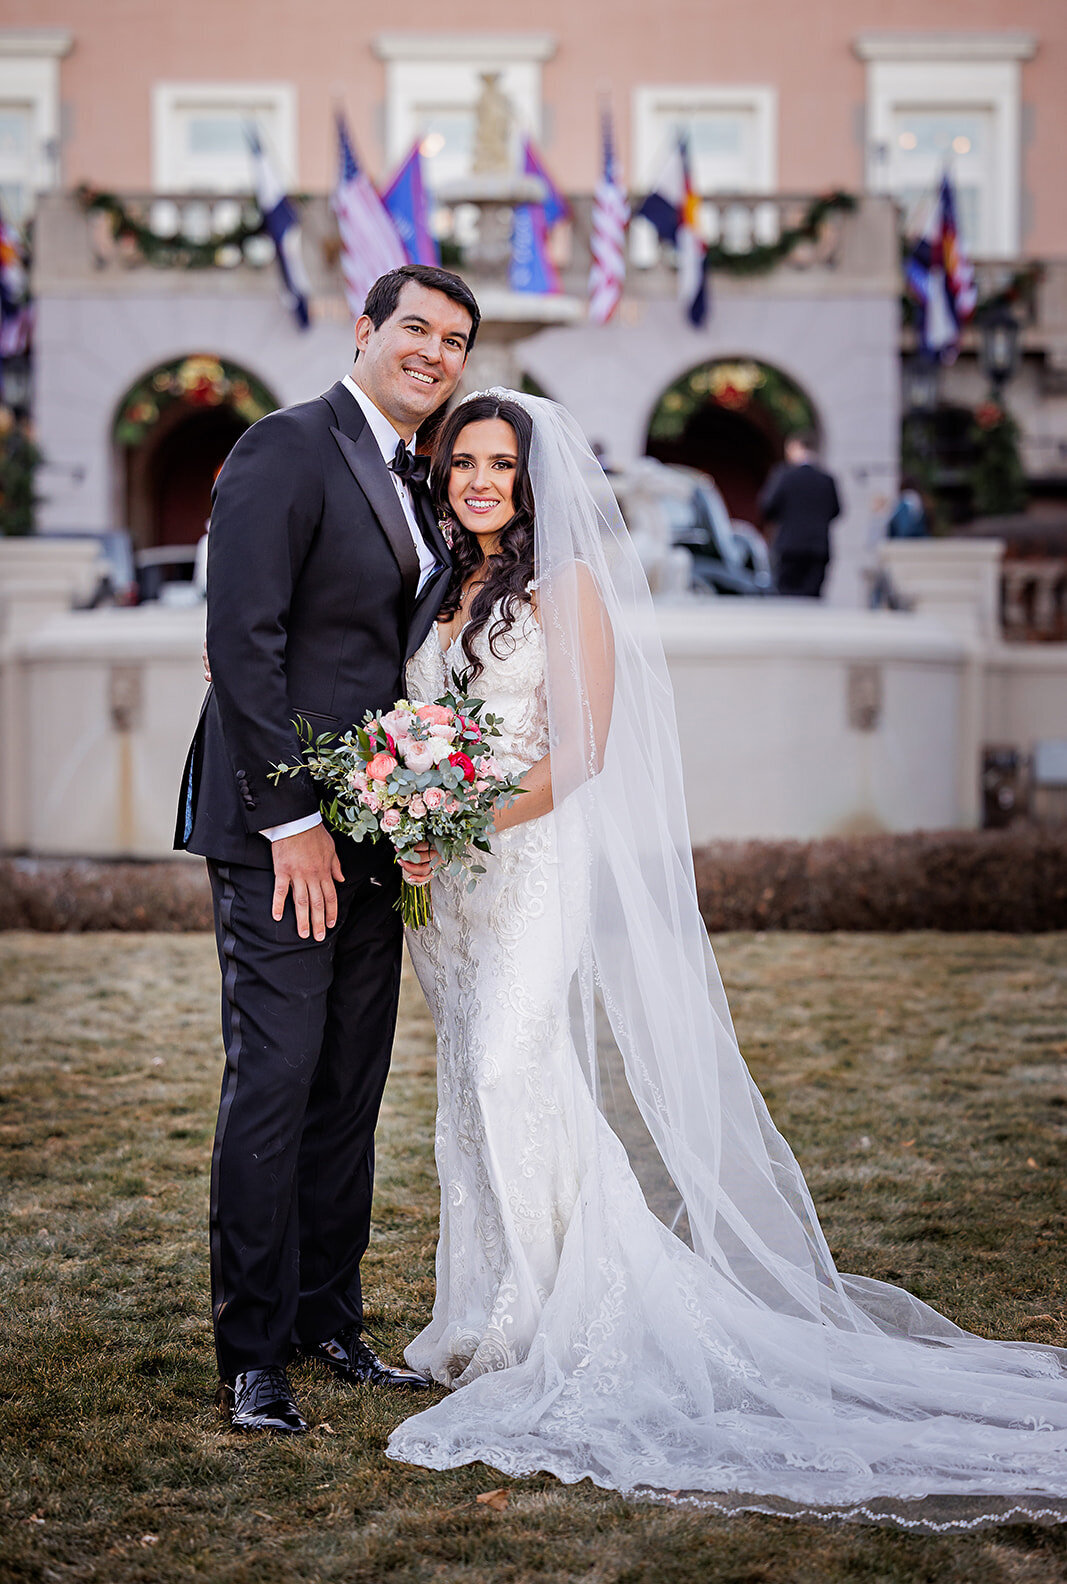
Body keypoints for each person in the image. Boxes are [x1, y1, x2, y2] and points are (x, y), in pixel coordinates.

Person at [387, 389, 1067, 1528]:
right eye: (464, 462)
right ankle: (480, 1314)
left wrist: (457, 818)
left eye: (500, 464)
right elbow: (421, 723)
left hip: (529, 865)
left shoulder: (566, 588)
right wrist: (411, 809)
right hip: (449, 884)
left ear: (530, 477)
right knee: (474, 1081)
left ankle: (554, 1312)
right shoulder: (436, 590)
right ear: (443, 473)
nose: (481, 481)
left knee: (513, 1063)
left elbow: (587, 748)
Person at [174, 264, 479, 1435]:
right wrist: (289, 821)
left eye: (453, 340)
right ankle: (253, 1355)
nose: (433, 352)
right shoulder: (283, 446)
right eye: (415, 328)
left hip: (380, 832)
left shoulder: (425, 478)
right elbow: (240, 642)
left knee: (348, 1088)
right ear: (364, 330)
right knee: (275, 1082)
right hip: (281, 835)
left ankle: (328, 1320)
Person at [758, 430, 841, 598]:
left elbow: (767, 506)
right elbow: (837, 510)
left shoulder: (784, 476)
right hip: (817, 547)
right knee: (811, 597)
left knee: (786, 597)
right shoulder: (826, 480)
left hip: (789, 546)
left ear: (795, 447)